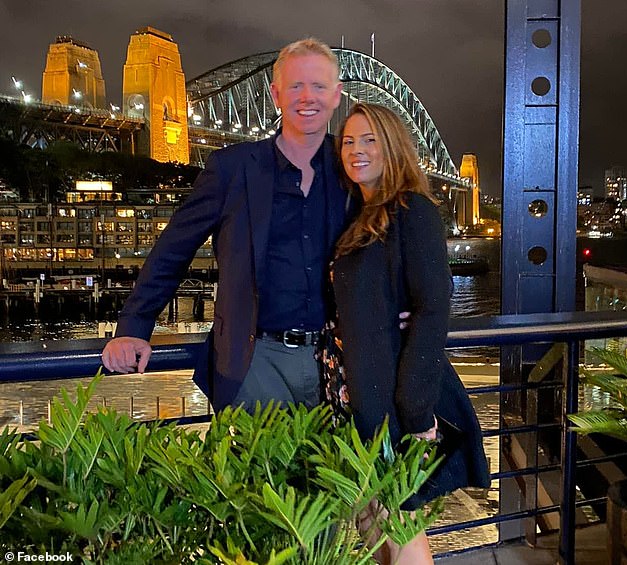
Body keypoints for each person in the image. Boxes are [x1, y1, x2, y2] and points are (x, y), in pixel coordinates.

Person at [101, 38, 353, 411]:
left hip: (342, 360)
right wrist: (133, 329)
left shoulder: (355, 168)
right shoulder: (230, 168)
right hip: (254, 362)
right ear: (275, 94)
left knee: (342, 471)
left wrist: (413, 302)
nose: (307, 97)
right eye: (295, 85)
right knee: (256, 470)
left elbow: (400, 241)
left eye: (318, 86)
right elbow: (174, 250)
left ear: (337, 95)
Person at [328, 102, 490, 564]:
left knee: (400, 529)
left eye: (369, 140)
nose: (356, 150)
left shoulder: (411, 209)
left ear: (394, 145)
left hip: (394, 405)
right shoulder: (362, 214)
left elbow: (432, 309)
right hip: (357, 395)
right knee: (374, 525)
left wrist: (418, 415)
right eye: (348, 141)